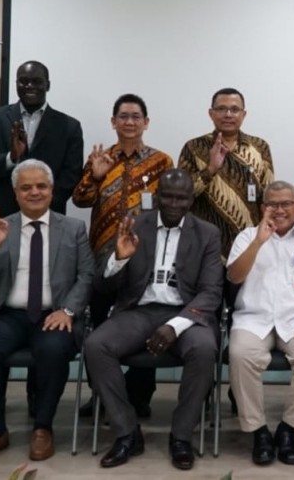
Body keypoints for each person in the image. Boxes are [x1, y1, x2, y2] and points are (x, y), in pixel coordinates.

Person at [85, 169, 223, 470]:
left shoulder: (207, 233)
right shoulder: (135, 225)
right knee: (96, 345)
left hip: (186, 316)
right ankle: (126, 432)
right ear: (157, 197)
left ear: (191, 199)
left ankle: (182, 436)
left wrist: (175, 325)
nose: (174, 203)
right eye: (168, 196)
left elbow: (211, 292)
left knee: (204, 349)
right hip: (139, 311)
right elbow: (102, 285)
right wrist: (119, 258)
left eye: (182, 197)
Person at [0, 159, 93, 464]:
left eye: (41, 186)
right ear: (15, 192)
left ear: (51, 190)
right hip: (10, 316)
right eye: (26, 187)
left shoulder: (74, 228)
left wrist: (68, 310)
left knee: (53, 349)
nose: (34, 192)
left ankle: (42, 427)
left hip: (54, 313)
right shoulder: (2, 226)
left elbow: (87, 275)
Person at [72, 93, 174, 418]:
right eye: (123, 116)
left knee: (144, 324)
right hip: (103, 257)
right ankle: (100, 394)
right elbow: (81, 199)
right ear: (113, 122)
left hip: (144, 258)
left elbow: (171, 206)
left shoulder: (162, 162)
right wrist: (96, 175)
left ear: (146, 122)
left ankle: (140, 394)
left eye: (135, 116)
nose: (129, 122)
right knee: (99, 326)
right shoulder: (101, 158)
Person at [226, 181, 294, 466]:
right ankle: (258, 430)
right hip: (253, 319)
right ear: (263, 208)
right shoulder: (246, 236)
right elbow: (234, 277)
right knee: (239, 354)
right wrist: (258, 242)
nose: (280, 209)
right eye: (273, 204)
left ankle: (289, 428)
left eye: (286, 203)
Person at [0, 60, 84, 242]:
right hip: (1, 219)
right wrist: (11, 157)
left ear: (48, 85)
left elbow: (71, 176)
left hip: (49, 219)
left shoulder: (69, 126)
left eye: (37, 81)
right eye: (23, 81)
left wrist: (38, 205)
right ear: (16, 84)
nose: (29, 86)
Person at [178, 87, 274, 260]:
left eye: (234, 109)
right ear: (211, 113)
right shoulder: (193, 148)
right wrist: (210, 169)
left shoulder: (260, 147)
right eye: (221, 109)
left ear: (243, 114)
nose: (228, 114)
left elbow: (269, 199)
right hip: (204, 245)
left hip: (249, 245)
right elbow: (181, 195)